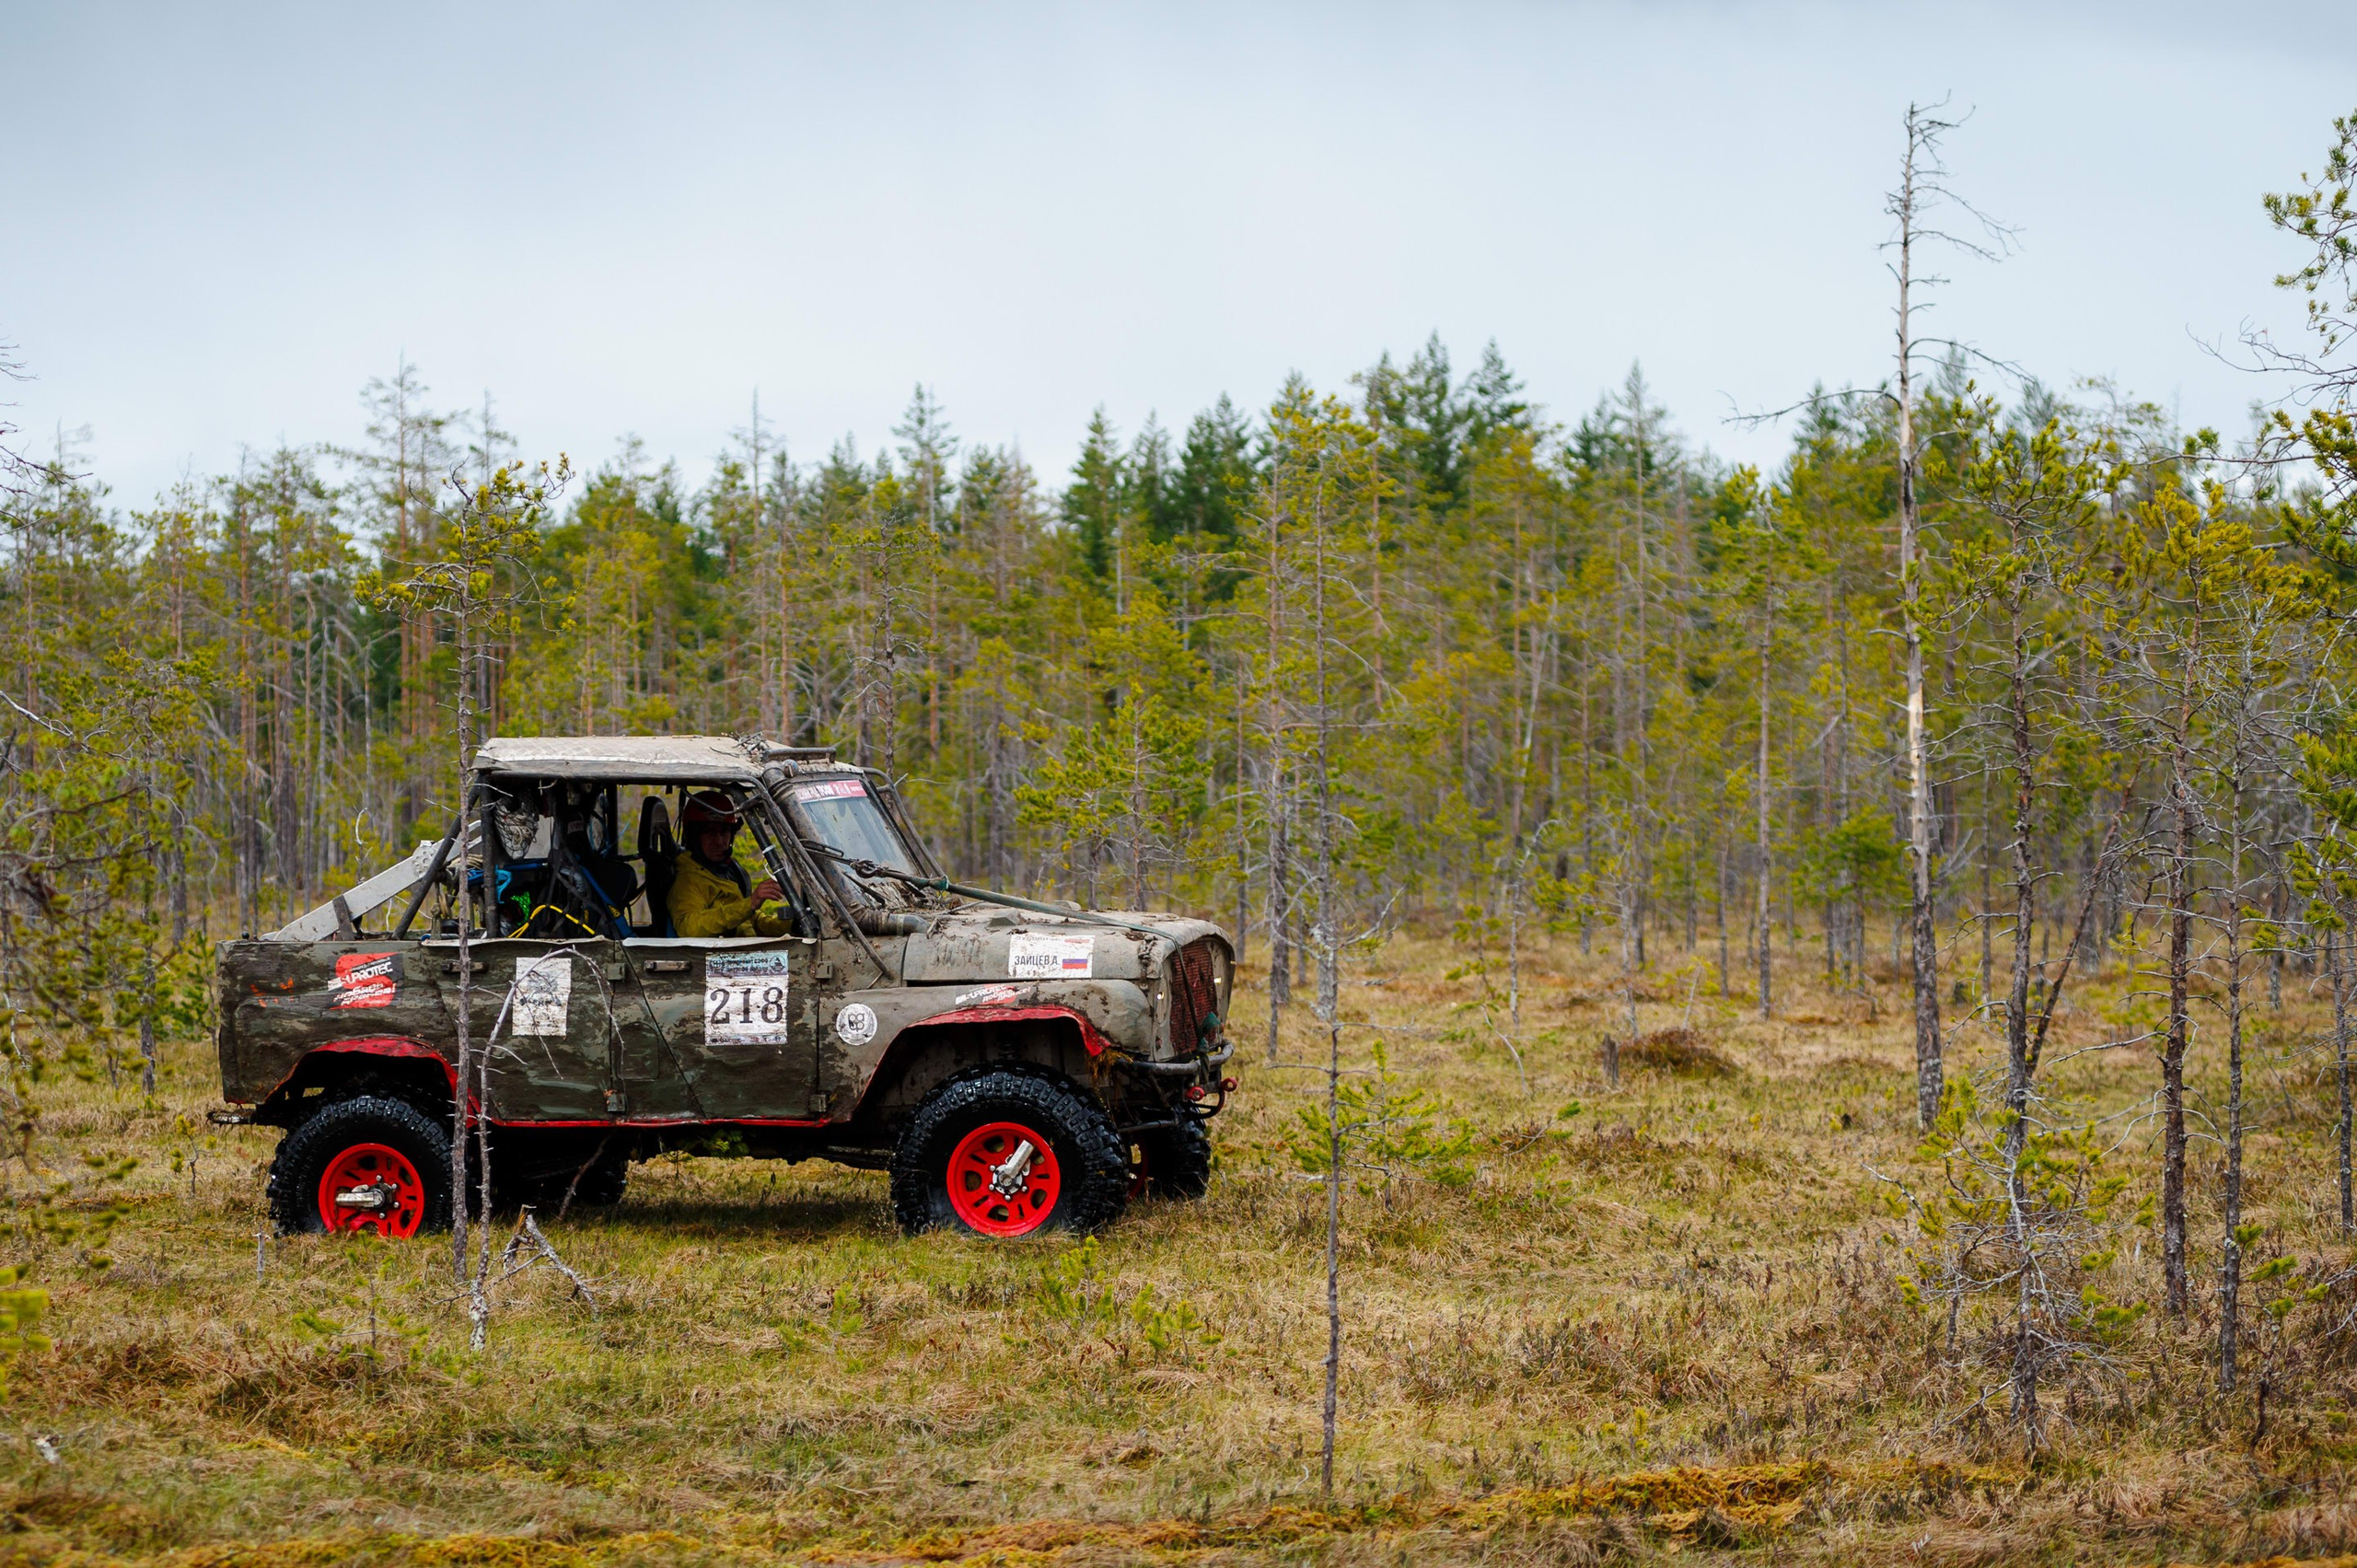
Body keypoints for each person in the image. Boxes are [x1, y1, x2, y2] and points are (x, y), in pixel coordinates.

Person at [668, 791, 791, 938]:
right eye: (710, 832)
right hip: (715, 959)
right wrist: (749, 904)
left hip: (747, 955)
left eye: (724, 832)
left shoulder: (730, 871)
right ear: (694, 836)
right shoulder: (688, 880)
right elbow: (689, 929)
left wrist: (793, 924)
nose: (720, 841)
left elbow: (751, 922)